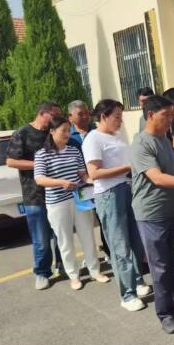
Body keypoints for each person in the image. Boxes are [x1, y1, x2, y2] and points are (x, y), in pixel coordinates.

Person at [131, 95, 174, 334]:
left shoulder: (165, 140)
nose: (170, 120)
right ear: (150, 115)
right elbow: (157, 178)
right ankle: (165, 312)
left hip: (173, 209)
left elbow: (173, 171)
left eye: (171, 115)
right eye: (165, 115)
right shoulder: (141, 144)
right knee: (160, 266)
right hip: (152, 214)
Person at [82, 99, 151, 312]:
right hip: (109, 194)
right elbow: (94, 173)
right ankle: (127, 294)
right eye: (117, 117)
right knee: (120, 245)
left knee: (135, 241)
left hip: (127, 189)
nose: (120, 121)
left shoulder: (117, 135)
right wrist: (126, 167)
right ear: (103, 116)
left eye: (121, 117)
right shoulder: (93, 139)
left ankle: (137, 280)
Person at [34, 116, 110, 290]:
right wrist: (61, 183)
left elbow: (82, 174)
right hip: (57, 203)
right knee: (65, 241)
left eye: (69, 130)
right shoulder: (41, 154)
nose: (68, 134)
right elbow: (39, 179)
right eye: (64, 131)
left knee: (88, 236)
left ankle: (94, 271)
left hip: (80, 199)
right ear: (52, 132)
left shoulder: (74, 151)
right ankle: (74, 276)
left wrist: (91, 181)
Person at [6, 101, 64, 290]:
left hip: (57, 192)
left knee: (61, 234)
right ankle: (42, 273)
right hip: (34, 195)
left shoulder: (52, 133)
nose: (57, 119)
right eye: (55, 115)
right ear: (42, 113)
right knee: (41, 239)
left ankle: (63, 265)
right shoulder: (22, 133)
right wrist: (39, 163)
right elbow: (11, 161)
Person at [67, 99, 110, 260]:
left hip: (99, 181)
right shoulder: (67, 136)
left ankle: (109, 251)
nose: (85, 116)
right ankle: (89, 257)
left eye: (87, 113)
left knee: (104, 219)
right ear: (70, 116)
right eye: (80, 114)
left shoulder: (98, 130)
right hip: (79, 185)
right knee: (84, 224)